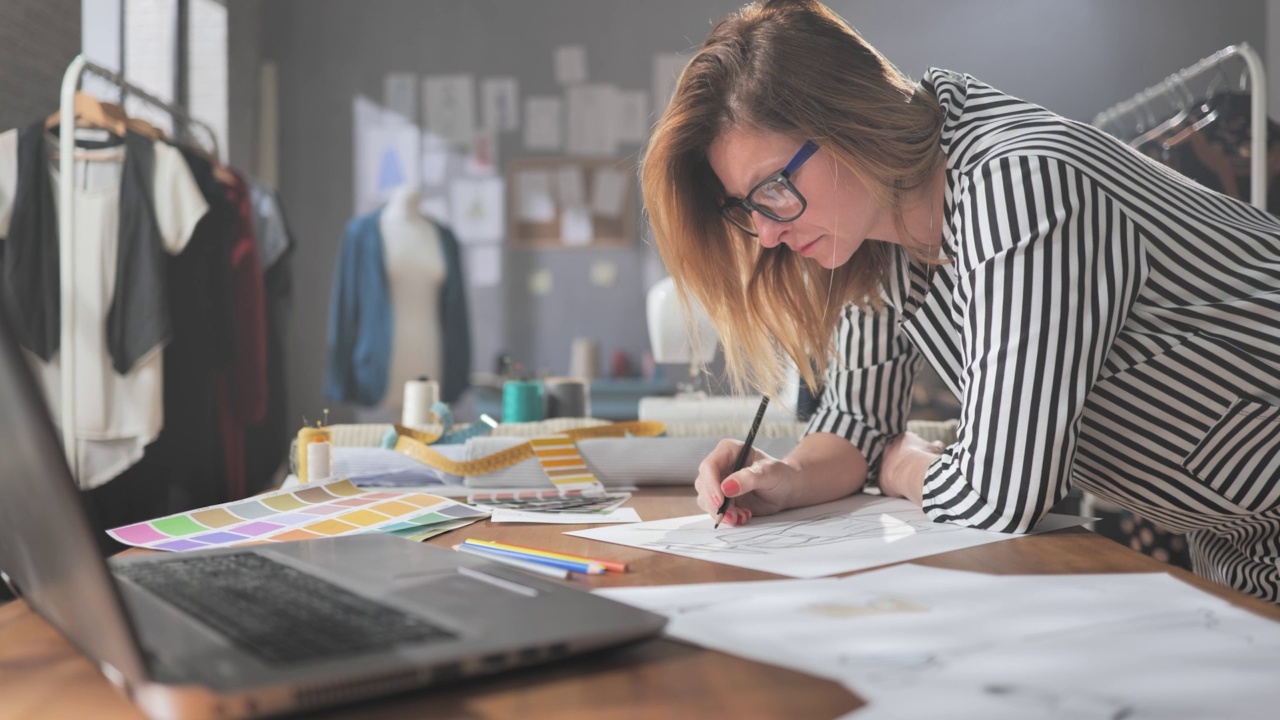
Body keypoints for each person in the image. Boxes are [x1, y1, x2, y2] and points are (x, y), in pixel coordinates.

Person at [640, 0, 1280, 601]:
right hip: (1235, 533)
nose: (770, 233)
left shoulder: (1022, 184)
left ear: (849, 119)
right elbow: (859, 424)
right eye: (748, 209)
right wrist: (785, 479)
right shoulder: (878, 236)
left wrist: (907, 467)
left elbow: (995, 497)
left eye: (774, 188)